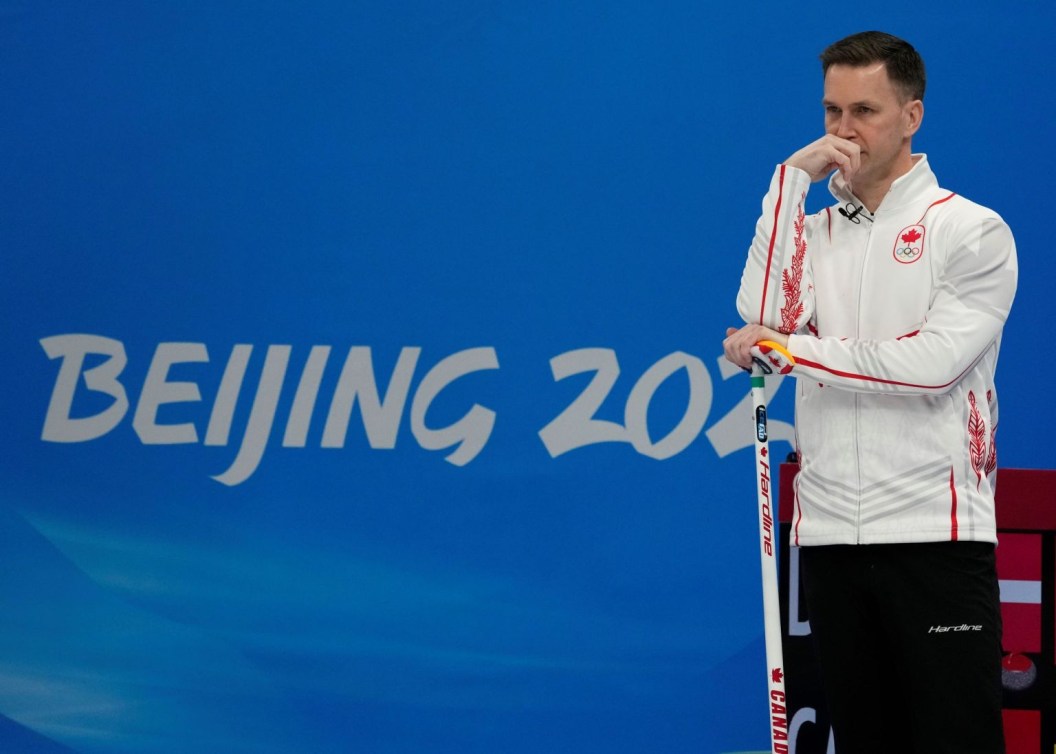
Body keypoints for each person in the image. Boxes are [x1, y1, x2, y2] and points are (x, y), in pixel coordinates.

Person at [722, 31, 1017, 753]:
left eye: (864, 111)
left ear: (911, 116)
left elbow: (933, 365)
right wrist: (789, 182)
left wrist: (792, 353)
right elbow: (764, 316)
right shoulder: (814, 228)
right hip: (829, 537)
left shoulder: (971, 230)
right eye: (831, 112)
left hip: (934, 539)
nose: (843, 132)